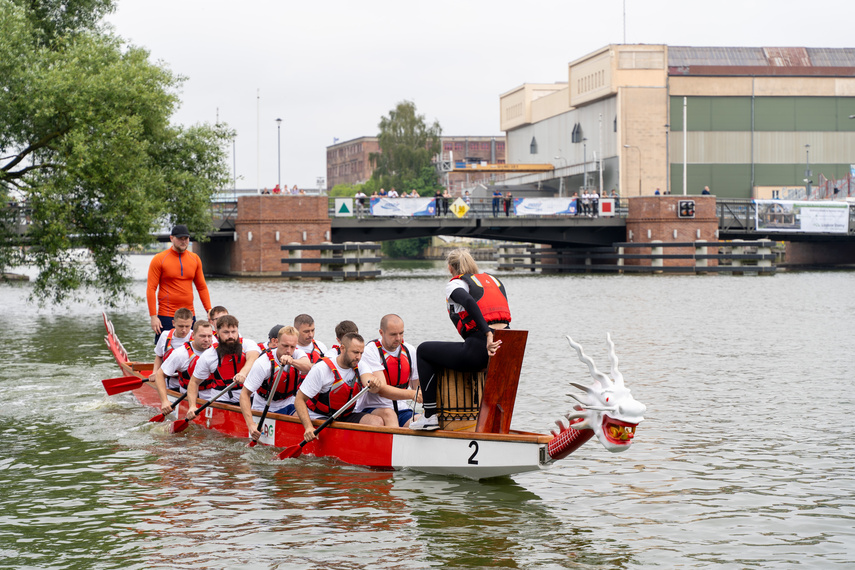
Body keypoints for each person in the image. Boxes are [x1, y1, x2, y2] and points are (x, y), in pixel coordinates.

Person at [411, 249, 509, 430]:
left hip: (481, 348)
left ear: (450, 268)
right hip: (506, 347)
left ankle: (430, 416)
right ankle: (497, 423)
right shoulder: (493, 281)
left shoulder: (455, 285)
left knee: (424, 350)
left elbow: (470, 302)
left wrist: (487, 333)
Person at [294, 332, 384, 440]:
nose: (358, 357)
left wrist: (374, 382)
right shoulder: (321, 369)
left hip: (345, 416)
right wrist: (308, 427)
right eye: (355, 352)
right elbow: (299, 400)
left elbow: (368, 378)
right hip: (319, 416)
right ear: (342, 348)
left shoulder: (360, 366)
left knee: (377, 421)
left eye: (361, 353)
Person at [240, 326, 313, 438]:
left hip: (289, 404)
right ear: (277, 342)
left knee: (308, 419)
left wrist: (292, 361)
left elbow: (308, 367)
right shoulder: (263, 363)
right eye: (285, 346)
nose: (289, 350)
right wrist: (251, 425)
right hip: (263, 408)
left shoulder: (298, 354)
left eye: (292, 346)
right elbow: (244, 395)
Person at [184, 315, 261, 419]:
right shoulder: (209, 356)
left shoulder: (248, 344)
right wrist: (192, 406)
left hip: (250, 397)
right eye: (226, 332)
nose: (230, 336)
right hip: (222, 401)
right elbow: (193, 383)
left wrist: (243, 373)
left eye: (233, 332)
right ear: (217, 332)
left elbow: (253, 357)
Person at [147, 224, 212, 342]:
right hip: (166, 315)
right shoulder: (159, 259)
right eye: (180, 238)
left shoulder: (195, 259)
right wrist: (153, 316)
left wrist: (209, 310)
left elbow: (201, 287)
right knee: (165, 352)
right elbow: (151, 288)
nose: (183, 241)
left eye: (186, 238)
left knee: (192, 351)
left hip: (189, 315)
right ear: (172, 238)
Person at [359, 314, 420, 427]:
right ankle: (396, 443)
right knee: (389, 414)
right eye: (393, 334)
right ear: (381, 333)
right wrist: (412, 394)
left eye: (401, 333)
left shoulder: (410, 350)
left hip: (402, 410)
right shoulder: (370, 351)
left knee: (422, 420)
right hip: (374, 408)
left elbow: (417, 387)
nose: (398, 338)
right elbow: (382, 389)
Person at [152, 320, 214, 416]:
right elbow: (160, 375)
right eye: (202, 336)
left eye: (209, 336)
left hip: (213, 397)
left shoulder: (217, 351)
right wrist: (164, 401)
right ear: (193, 336)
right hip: (188, 397)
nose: (207, 340)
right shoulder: (180, 354)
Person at [152, 307, 194, 375]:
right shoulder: (164, 335)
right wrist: (154, 373)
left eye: (187, 326)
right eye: (180, 326)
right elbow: (159, 356)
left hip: (189, 382)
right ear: (173, 323)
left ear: (192, 323)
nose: (184, 330)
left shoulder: (196, 337)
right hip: (167, 381)